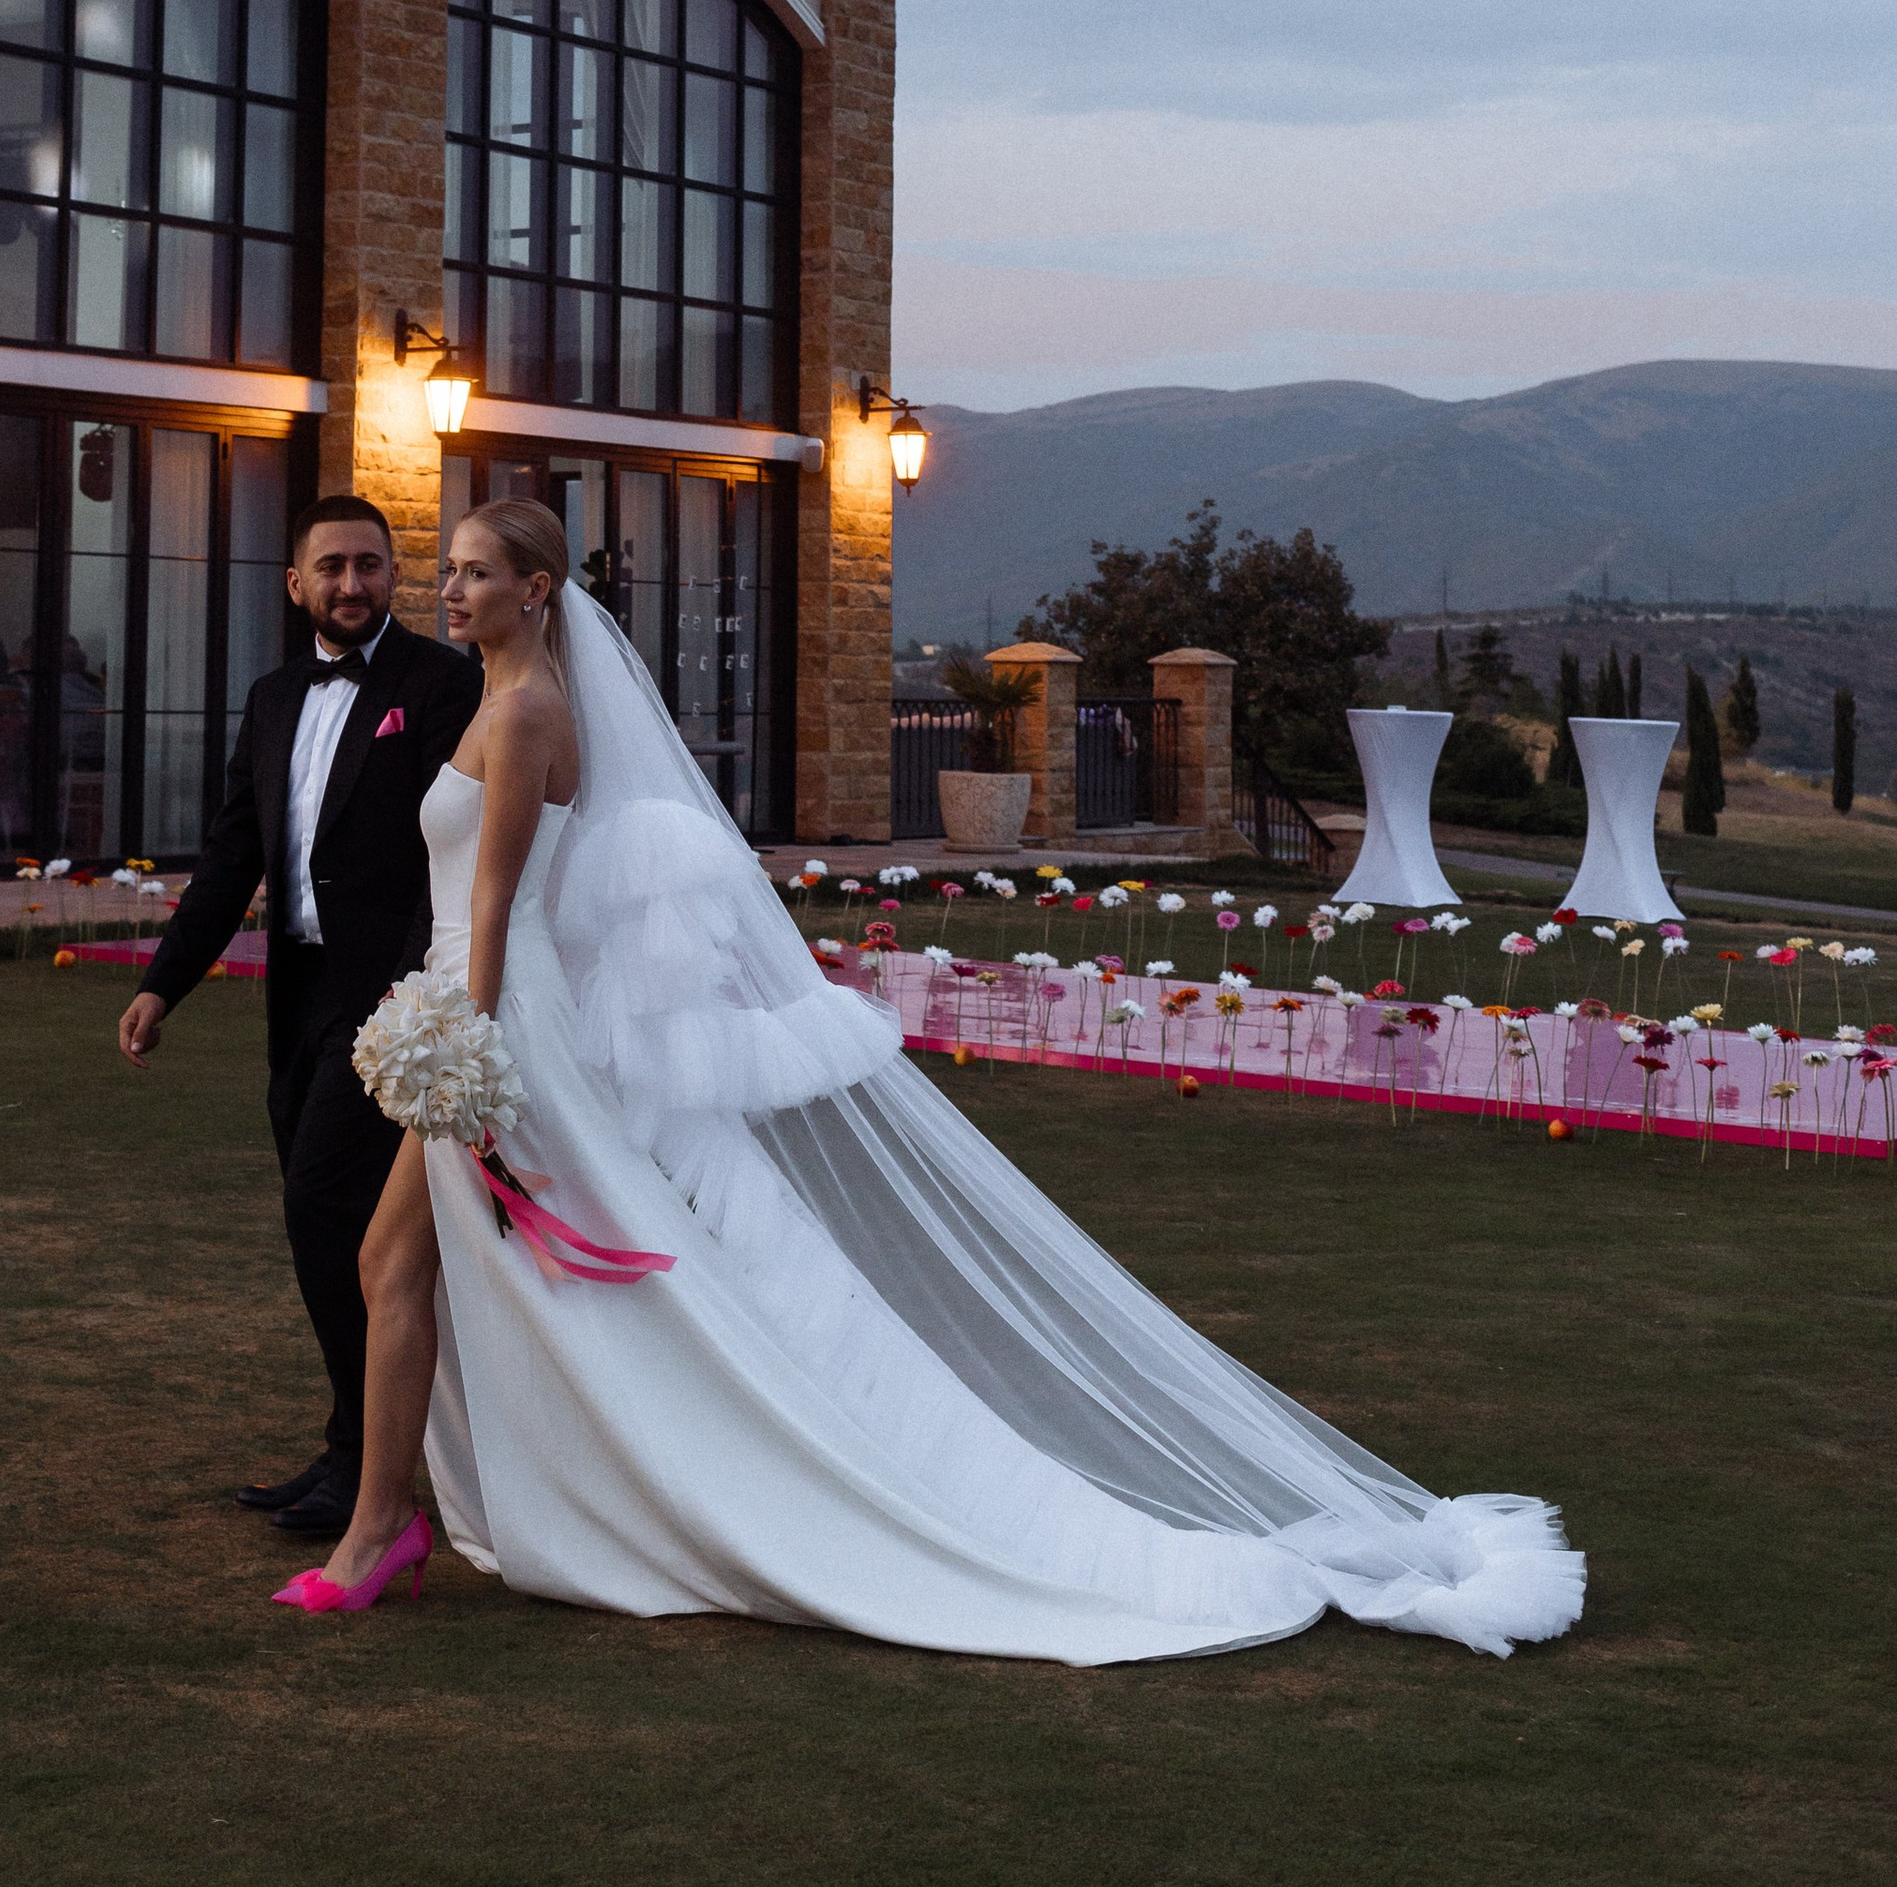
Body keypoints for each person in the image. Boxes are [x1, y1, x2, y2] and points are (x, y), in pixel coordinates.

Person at [277, 498, 1586, 1662]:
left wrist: (470, 1050)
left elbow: (500, 906)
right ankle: (390, 1524)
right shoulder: (496, 699)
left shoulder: (531, 710)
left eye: (472, 572)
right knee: (398, 1265)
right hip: (477, 1011)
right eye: (445, 572)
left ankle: (392, 1532)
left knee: (414, 1266)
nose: (447, 591)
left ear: (536, 591)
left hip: (498, 1021)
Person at [120, 496, 478, 1541]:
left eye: (369, 565)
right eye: (332, 568)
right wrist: (163, 982)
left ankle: (368, 1471)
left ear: (395, 575)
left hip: (394, 1003)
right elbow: (235, 852)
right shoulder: (275, 696)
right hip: (302, 993)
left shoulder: (443, 685)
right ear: (296, 583)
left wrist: (423, 992)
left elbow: (456, 852)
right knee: (337, 1226)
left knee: (326, 1211)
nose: (352, 585)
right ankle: (357, 1450)